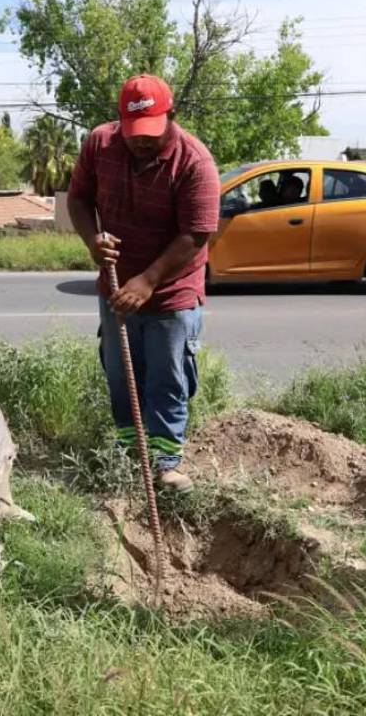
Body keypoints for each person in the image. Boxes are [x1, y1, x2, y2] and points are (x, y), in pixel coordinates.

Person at [67, 74, 221, 493]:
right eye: (135, 134)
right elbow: (78, 199)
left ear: (170, 116)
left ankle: (165, 462)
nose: (143, 142)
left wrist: (149, 280)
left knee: (166, 378)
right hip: (117, 287)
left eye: (152, 132)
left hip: (171, 291)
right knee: (121, 373)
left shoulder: (194, 161)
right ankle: (128, 455)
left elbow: (197, 234)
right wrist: (92, 240)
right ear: (120, 122)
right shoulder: (100, 144)